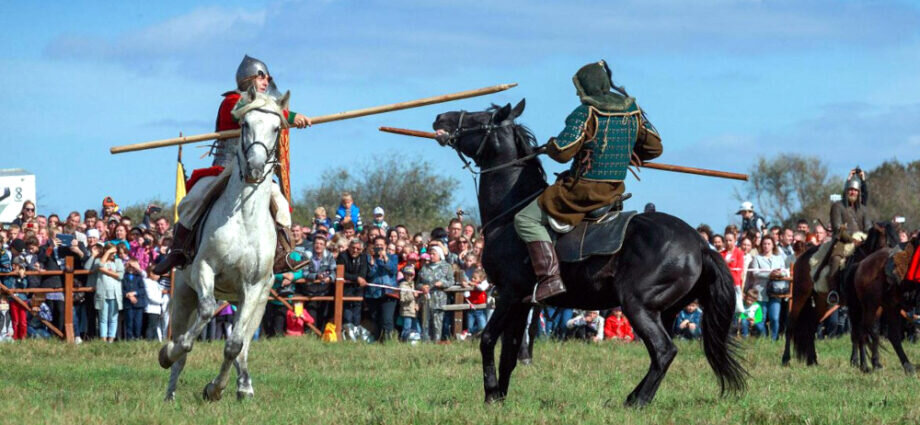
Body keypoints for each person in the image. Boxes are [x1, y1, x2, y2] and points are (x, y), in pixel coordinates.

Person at [512, 60, 662, 303]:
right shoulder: (633, 110)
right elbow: (654, 148)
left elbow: (563, 151)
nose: (577, 94)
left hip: (581, 191)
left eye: (578, 89)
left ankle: (549, 279)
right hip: (614, 190)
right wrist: (625, 152)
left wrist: (550, 146)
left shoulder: (587, 112)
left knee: (525, 218)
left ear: (587, 87)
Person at [154, 55, 310, 275]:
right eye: (262, 77)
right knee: (194, 200)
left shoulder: (265, 104)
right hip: (226, 167)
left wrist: (288, 117)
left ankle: (282, 254)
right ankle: (178, 250)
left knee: (280, 203)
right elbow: (254, 112)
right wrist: (291, 116)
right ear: (248, 78)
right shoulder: (233, 100)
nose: (266, 82)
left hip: (256, 171)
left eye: (267, 78)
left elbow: (270, 114)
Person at [747, 236, 789, 341]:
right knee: (760, 320)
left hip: (776, 291)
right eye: (764, 244)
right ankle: (764, 337)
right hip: (761, 293)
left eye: (769, 244)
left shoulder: (779, 258)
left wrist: (779, 273)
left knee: (775, 318)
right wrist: (770, 274)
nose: (766, 246)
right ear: (761, 245)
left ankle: (774, 339)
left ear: (773, 245)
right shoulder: (757, 258)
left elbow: (785, 271)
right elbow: (755, 273)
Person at [366, 236, 399, 342]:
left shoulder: (393, 257)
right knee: (376, 319)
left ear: (385, 246)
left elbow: (393, 270)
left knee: (387, 319)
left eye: (381, 245)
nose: (379, 247)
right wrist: (372, 263)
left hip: (389, 292)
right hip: (373, 293)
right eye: (377, 245)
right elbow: (369, 274)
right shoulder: (368, 258)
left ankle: (388, 341)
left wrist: (385, 258)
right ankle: (377, 340)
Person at [418, 245, 453, 342]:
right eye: (430, 254)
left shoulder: (446, 267)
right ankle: (425, 343)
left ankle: (436, 342)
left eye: (434, 254)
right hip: (426, 299)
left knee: (437, 323)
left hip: (439, 299)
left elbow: (451, 281)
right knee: (425, 322)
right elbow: (418, 283)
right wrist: (422, 287)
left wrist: (442, 283)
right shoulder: (425, 267)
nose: (431, 256)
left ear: (439, 255)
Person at [301, 236, 336, 330]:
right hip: (309, 292)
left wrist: (330, 278)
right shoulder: (306, 255)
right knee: (311, 317)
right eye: (316, 243)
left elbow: (334, 271)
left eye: (321, 244)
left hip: (324, 291)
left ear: (325, 246)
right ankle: (310, 337)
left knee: (323, 316)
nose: (318, 246)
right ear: (313, 245)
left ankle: (321, 337)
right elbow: (304, 273)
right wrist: (316, 276)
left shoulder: (329, 255)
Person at [91, 243, 124, 342]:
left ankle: (111, 339)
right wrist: (107, 253)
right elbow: (100, 265)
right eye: (111, 252)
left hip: (114, 294)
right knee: (103, 318)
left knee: (113, 318)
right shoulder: (99, 260)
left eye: (114, 252)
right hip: (103, 294)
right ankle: (103, 339)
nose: (113, 254)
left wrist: (105, 271)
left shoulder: (118, 261)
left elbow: (120, 276)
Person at [337, 238, 368, 335]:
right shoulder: (342, 256)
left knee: (357, 313)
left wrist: (360, 278)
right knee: (347, 314)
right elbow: (341, 273)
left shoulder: (363, 257)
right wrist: (356, 278)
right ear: (349, 247)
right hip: (346, 289)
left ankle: (355, 334)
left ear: (362, 250)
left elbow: (364, 271)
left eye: (358, 249)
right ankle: (347, 334)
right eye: (353, 248)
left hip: (358, 289)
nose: (355, 251)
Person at [830, 168, 871, 236]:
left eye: (855, 190)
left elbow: (868, 228)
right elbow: (838, 229)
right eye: (851, 189)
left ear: (858, 193)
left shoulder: (863, 209)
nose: (853, 192)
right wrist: (853, 241)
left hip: (862, 242)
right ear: (846, 191)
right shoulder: (837, 206)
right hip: (843, 242)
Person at [463, 268, 489, 336]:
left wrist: (474, 284)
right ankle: (469, 338)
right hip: (471, 308)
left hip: (480, 309)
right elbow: (466, 295)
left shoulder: (484, 284)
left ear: (480, 279)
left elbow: (482, 288)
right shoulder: (470, 284)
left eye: (475, 278)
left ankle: (467, 331)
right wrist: (466, 287)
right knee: (470, 326)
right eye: (472, 277)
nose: (473, 279)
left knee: (482, 327)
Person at [398, 265, 420, 341]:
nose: (409, 276)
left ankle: (415, 341)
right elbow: (402, 299)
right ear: (404, 275)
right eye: (407, 274)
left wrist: (417, 304)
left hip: (414, 311)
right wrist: (412, 296)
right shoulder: (402, 285)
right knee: (406, 328)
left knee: (417, 329)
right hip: (406, 311)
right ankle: (404, 341)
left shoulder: (413, 285)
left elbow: (416, 298)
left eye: (411, 275)